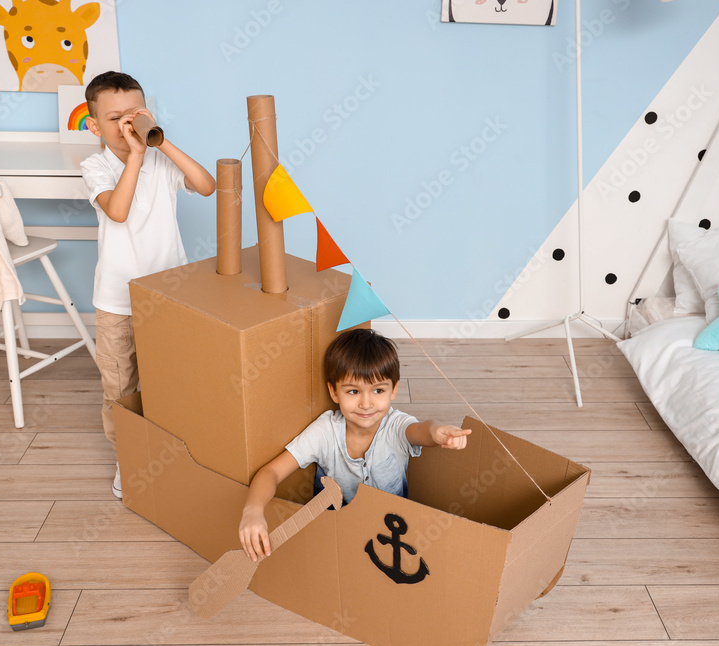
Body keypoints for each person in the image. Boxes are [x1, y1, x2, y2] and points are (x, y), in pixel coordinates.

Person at [80, 71, 217, 499]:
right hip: (117, 302)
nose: (125, 125)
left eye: (133, 114)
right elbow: (117, 211)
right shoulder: (95, 165)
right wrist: (136, 154)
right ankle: (130, 460)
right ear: (94, 124)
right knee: (120, 389)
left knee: (170, 380)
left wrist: (159, 141)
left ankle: (173, 454)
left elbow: (207, 186)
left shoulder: (160, 158)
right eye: (114, 117)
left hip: (168, 297)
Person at [238, 328, 471, 562]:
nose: (366, 403)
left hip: (391, 528)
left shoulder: (395, 426)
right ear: (334, 392)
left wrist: (438, 432)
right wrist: (253, 511)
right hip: (334, 528)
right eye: (353, 391)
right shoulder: (325, 432)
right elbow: (271, 472)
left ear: (394, 390)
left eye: (378, 390)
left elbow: (421, 430)